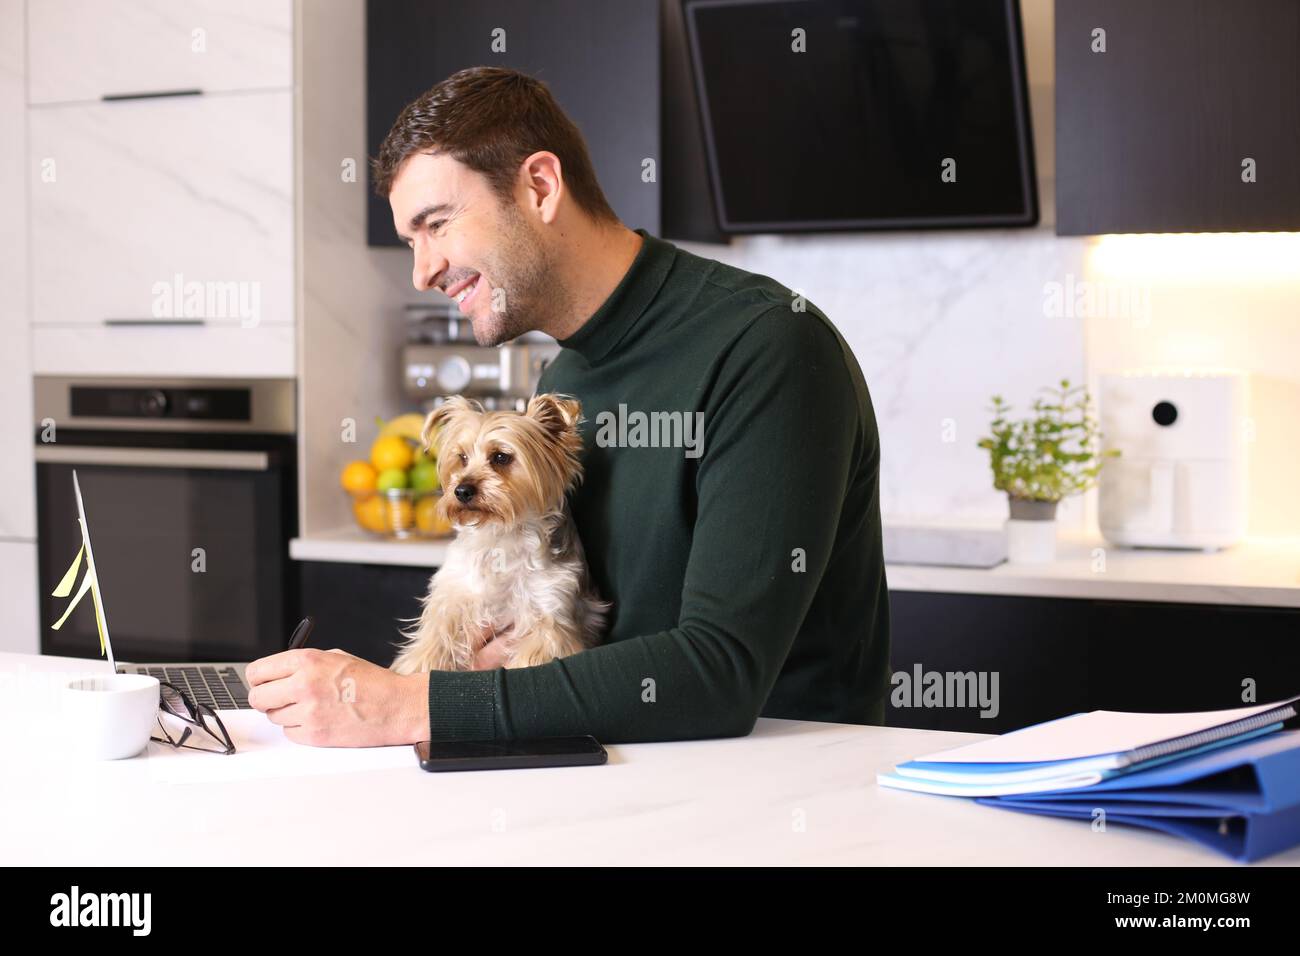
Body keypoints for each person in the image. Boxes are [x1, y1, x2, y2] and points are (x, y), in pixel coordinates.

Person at [246, 66, 890, 746]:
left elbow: (719, 675)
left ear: (540, 187)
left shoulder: (768, 348)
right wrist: (494, 661)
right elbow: (580, 628)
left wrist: (411, 706)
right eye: (412, 241)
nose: (422, 270)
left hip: (783, 803)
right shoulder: (565, 376)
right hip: (618, 778)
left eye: (436, 225)